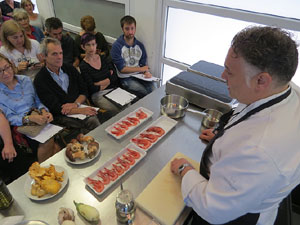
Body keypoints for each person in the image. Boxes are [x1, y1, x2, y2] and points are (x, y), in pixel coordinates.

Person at [170, 26, 300, 225]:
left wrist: (185, 170)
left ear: (261, 80)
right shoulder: (285, 89)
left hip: (236, 217)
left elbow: (211, 207)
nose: (223, 76)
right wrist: (224, 136)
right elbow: (250, 116)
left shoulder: (260, 151)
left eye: (230, 72)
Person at [0, 53, 59, 165]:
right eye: (0, 71)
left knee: (54, 146)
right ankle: (43, 171)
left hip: (39, 117)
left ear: (11, 65)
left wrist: (44, 111)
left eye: (7, 67)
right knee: (50, 142)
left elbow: (37, 100)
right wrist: (29, 118)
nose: (6, 73)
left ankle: (44, 170)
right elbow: (9, 118)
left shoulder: (25, 80)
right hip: (21, 126)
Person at [34, 37, 100, 135]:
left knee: (91, 120)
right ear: (44, 56)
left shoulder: (69, 68)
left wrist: (76, 104)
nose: (60, 57)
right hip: (60, 116)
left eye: (61, 53)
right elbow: (56, 108)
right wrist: (81, 110)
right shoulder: (40, 80)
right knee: (91, 121)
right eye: (54, 54)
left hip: (77, 106)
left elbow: (84, 91)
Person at [111, 15, 156, 99]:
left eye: (132, 28)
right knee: (144, 92)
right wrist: (141, 69)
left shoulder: (140, 45)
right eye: (127, 29)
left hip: (139, 75)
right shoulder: (116, 46)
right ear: (122, 29)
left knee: (154, 88)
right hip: (126, 78)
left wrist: (146, 72)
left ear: (135, 28)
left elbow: (142, 64)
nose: (130, 32)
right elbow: (122, 69)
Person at [79, 33, 120, 118]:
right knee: (115, 110)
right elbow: (92, 88)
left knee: (128, 104)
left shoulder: (103, 58)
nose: (91, 48)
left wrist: (100, 82)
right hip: (98, 94)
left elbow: (115, 77)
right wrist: (109, 79)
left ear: (96, 45)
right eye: (88, 45)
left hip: (113, 89)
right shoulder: (83, 66)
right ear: (83, 47)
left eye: (93, 44)